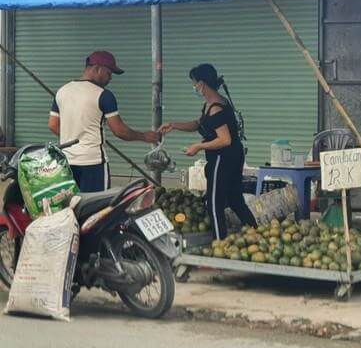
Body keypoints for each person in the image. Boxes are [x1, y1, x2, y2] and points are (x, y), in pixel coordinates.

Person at [159, 64, 257, 239]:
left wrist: (198, 146)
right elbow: (199, 124)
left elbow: (224, 139)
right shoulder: (210, 105)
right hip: (232, 156)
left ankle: (219, 243)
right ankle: (257, 234)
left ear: (202, 84)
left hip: (224, 159)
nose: (194, 87)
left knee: (214, 203)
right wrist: (174, 125)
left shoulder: (216, 108)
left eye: (195, 84)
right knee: (235, 201)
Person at [48, 50, 158, 192]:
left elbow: (53, 125)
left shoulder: (62, 91)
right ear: (97, 69)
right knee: (97, 207)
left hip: (67, 162)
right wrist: (145, 136)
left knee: (71, 206)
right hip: (93, 163)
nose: (110, 79)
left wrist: (75, 136)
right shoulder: (103, 95)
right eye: (109, 73)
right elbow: (120, 131)